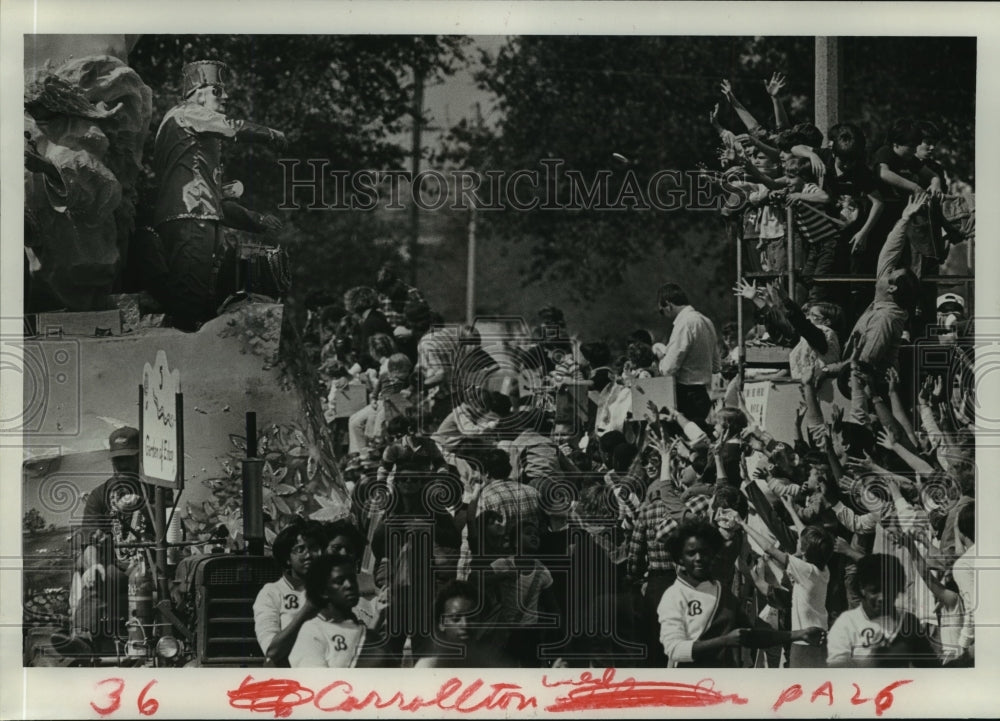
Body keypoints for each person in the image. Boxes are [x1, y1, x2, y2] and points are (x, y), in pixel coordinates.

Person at [149, 60, 285, 328]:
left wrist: (255, 220)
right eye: (216, 90)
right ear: (197, 92)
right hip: (190, 217)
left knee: (196, 297)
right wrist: (270, 134)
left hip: (191, 216)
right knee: (190, 298)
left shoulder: (194, 146)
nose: (226, 97)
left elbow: (215, 202)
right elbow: (232, 126)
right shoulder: (187, 113)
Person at [657, 518, 825, 668]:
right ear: (680, 559)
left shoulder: (722, 591)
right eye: (691, 553)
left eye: (704, 552)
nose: (699, 558)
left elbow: (749, 636)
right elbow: (675, 650)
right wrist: (724, 641)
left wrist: (799, 634)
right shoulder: (674, 595)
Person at [70, 426, 155, 651]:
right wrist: (94, 565)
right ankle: (81, 639)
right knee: (99, 577)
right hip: (118, 566)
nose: (122, 465)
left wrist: (145, 507)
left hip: (154, 566)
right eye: (118, 460)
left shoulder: (157, 491)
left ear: (140, 457)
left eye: (128, 458)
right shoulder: (99, 495)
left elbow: (169, 526)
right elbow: (89, 538)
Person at [826, 553, 937, 667]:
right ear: (862, 588)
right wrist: (873, 662)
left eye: (888, 590)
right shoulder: (846, 624)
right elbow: (838, 675)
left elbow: (931, 669)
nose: (882, 597)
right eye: (875, 591)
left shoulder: (908, 623)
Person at [288, 554, 387, 668]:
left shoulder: (363, 630)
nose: (349, 585)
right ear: (323, 591)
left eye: (352, 579)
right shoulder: (312, 632)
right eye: (340, 581)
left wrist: (379, 615)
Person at [252, 520, 326, 666]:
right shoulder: (271, 593)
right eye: (300, 550)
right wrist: (306, 612)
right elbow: (272, 652)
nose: (309, 555)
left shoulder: (332, 588)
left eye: (313, 548)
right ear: (287, 559)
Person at [653, 282, 722, 431]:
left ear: (669, 305)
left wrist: (660, 358)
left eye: (661, 311)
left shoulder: (685, 323)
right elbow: (717, 365)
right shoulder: (706, 321)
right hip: (703, 395)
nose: (664, 316)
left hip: (686, 396)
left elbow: (668, 369)